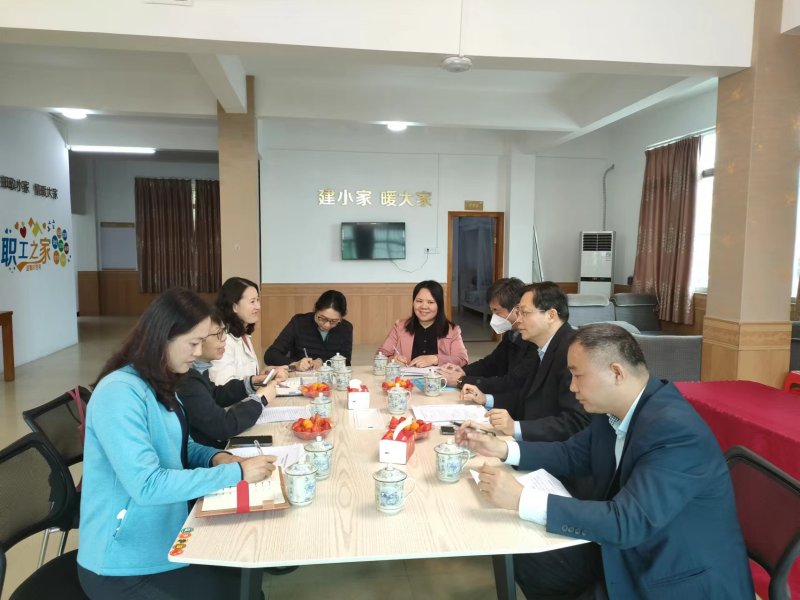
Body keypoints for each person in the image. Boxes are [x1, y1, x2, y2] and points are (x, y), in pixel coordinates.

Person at [456, 323, 754, 599]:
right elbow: (572, 453)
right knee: (529, 557)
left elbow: (626, 522)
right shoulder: (614, 410)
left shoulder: (675, 431)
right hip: (630, 548)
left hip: (671, 573)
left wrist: (522, 498)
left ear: (616, 373)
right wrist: (503, 448)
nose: (572, 387)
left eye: (578, 376)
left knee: (537, 545)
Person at [77, 288, 276, 600]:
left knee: (245, 579)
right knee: (241, 592)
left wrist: (217, 457)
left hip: (166, 533)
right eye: (193, 343)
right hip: (122, 563)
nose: (198, 351)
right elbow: (147, 485)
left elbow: (182, 445)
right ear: (162, 337)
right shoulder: (119, 393)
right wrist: (236, 474)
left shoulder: (160, 382)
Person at [461, 282, 589, 442]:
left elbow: (576, 422)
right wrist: (486, 399)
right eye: (518, 312)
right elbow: (526, 397)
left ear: (551, 315)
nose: (518, 320)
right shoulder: (543, 345)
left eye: (525, 313)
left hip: (555, 449)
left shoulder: (573, 352)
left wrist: (516, 427)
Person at [178, 308, 280, 449]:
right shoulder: (186, 378)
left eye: (224, 331)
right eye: (218, 333)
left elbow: (214, 395)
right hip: (206, 451)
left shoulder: (199, 368)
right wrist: (260, 400)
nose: (225, 338)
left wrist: (250, 384)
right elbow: (222, 426)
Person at [440, 277, 536, 394]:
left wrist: (461, 380)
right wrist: (463, 371)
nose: (494, 317)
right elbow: (492, 362)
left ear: (517, 309)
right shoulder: (512, 333)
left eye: (497, 311)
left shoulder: (533, 340)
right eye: (492, 311)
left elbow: (511, 383)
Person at [378, 280, 468, 368]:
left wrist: (435, 359)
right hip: (406, 377)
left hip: (439, 377)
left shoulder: (452, 330)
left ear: (439, 305)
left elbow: (462, 360)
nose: (424, 306)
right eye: (419, 301)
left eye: (430, 302)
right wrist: (393, 360)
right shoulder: (400, 326)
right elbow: (381, 355)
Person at [264, 289, 353, 371]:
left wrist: (322, 361)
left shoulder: (345, 328)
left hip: (330, 379)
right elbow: (270, 355)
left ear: (341, 318)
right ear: (316, 310)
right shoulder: (299, 323)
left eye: (333, 321)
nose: (327, 325)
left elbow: (346, 362)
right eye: (322, 318)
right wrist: (295, 364)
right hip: (299, 377)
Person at [209, 277, 263, 385]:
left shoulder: (243, 334)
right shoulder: (223, 339)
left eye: (257, 300)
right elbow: (224, 386)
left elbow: (245, 376)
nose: (258, 306)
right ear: (235, 306)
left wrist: (263, 376)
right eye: (252, 301)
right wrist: (255, 382)